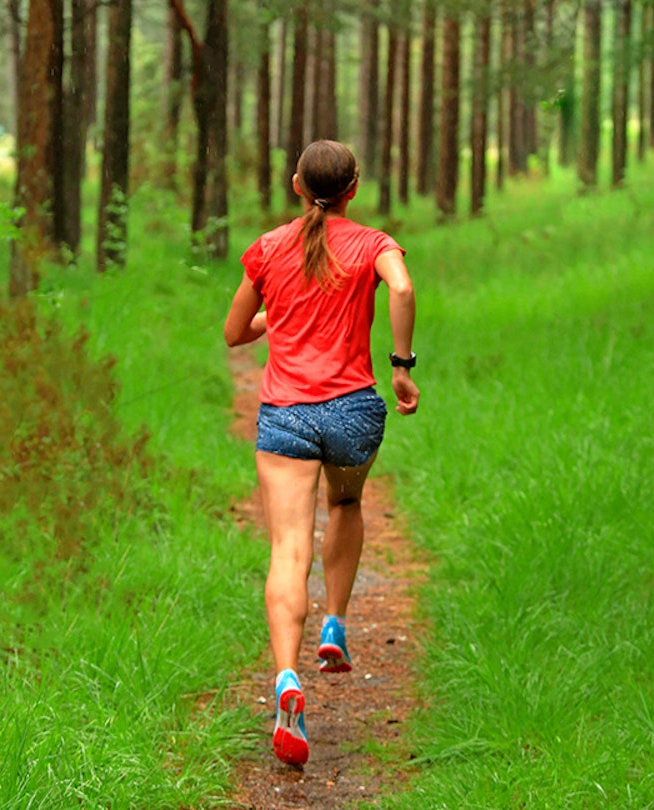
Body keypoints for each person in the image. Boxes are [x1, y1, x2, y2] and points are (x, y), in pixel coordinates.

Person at [223, 140, 419, 766]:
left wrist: (275, 320)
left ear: (296, 185)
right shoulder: (372, 244)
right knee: (347, 502)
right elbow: (403, 286)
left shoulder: (268, 248)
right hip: (352, 410)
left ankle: (286, 678)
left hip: (285, 414)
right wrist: (403, 366)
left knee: (287, 548)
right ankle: (334, 621)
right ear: (354, 189)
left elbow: (234, 334)